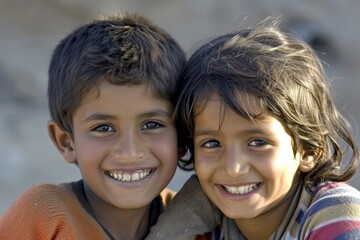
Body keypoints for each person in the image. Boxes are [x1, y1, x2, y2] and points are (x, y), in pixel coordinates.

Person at [147, 18, 360, 239]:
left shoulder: (337, 214)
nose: (232, 168)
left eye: (258, 142)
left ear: (309, 149)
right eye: (211, 144)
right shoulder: (207, 227)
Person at [0, 12, 186, 240]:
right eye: (104, 128)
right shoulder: (44, 215)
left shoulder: (194, 221)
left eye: (151, 124)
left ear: (183, 137)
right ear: (66, 142)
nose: (129, 153)